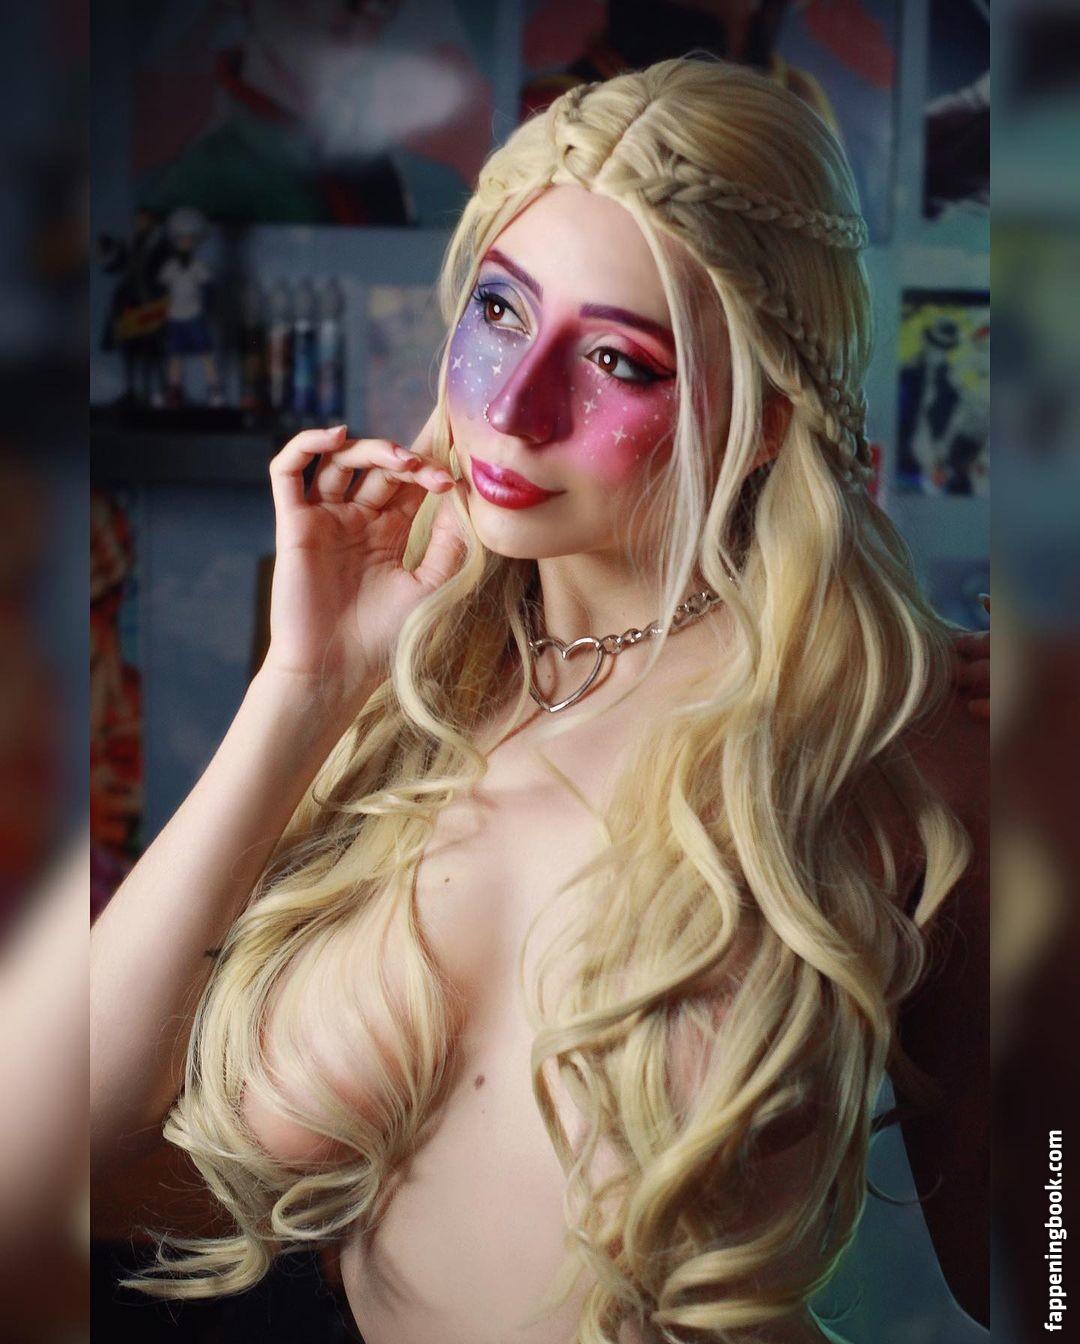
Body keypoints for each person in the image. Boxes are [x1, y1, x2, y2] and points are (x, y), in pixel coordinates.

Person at [91, 58, 989, 1343]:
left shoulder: (898, 739)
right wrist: (301, 689)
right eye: (503, 312)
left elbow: (1046, 1278)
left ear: (769, 415)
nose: (513, 409)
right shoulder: (400, 686)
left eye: (618, 359)